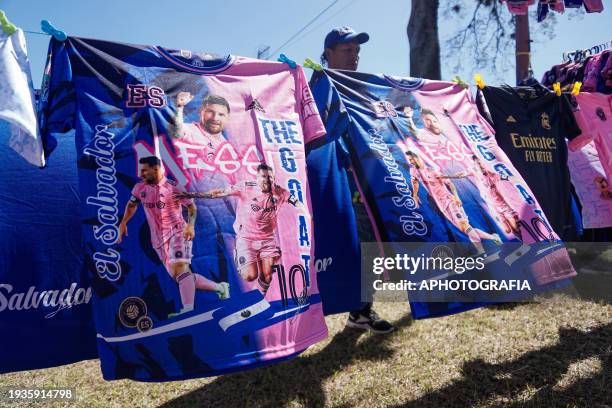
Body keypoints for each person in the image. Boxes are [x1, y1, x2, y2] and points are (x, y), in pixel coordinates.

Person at [322, 26, 395, 334]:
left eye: (357, 52)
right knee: (330, 248)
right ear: (328, 55)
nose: (355, 57)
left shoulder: (362, 89)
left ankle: (360, 312)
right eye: (347, 51)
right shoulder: (316, 86)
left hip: (363, 182)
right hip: (329, 181)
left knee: (368, 245)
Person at [117, 156, 230, 318]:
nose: (140, 174)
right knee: (182, 277)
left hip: (178, 233)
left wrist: (190, 225)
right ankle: (220, 288)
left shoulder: (173, 187)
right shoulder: (139, 188)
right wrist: (123, 223)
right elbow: (132, 205)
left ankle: (188, 310)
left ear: (156, 169)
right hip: (158, 240)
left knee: (181, 268)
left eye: (144, 170)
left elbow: (191, 207)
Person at [176, 164, 303, 297]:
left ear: (274, 178)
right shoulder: (246, 187)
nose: (266, 180)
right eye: (263, 176)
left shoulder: (280, 192)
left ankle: (257, 298)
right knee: (249, 276)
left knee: (267, 275)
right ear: (257, 177)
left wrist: (307, 214)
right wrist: (193, 194)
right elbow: (220, 192)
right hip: (246, 237)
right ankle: (240, 256)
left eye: (270, 177)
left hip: (267, 239)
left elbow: (296, 202)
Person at [406, 151, 502, 246]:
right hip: (442, 205)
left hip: (450, 201)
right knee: (464, 229)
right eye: (409, 160)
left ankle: (481, 250)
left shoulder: (432, 170)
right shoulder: (414, 170)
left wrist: (456, 197)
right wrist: (415, 195)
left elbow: (450, 184)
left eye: (411, 159)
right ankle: (494, 237)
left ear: (417, 158)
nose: (410, 162)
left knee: (465, 226)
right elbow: (414, 181)